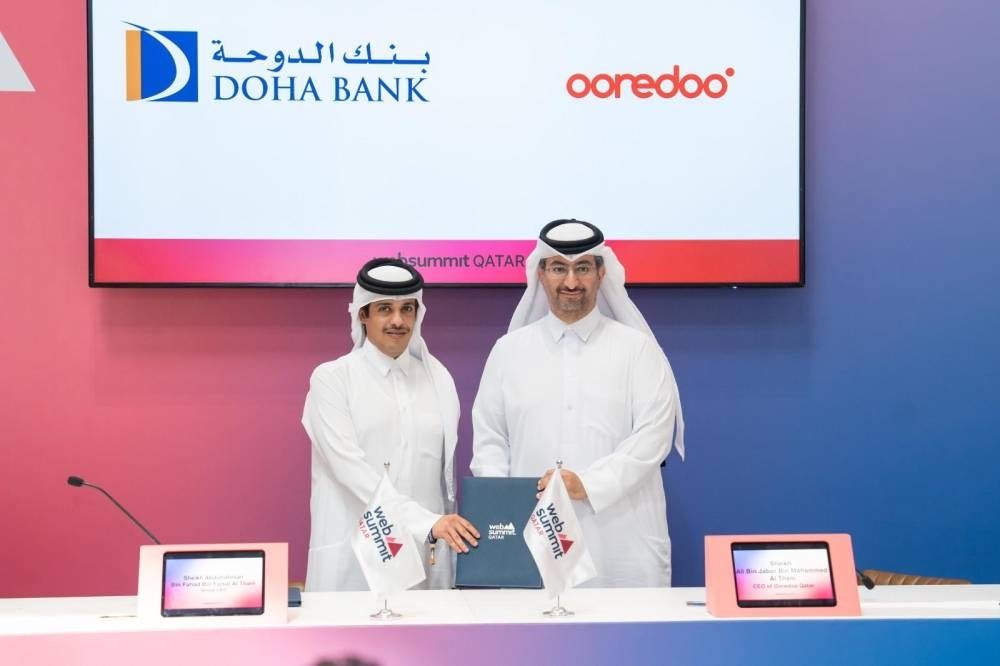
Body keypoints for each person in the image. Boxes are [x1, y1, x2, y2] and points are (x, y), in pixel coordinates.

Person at [471, 219, 685, 587]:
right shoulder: (508, 353)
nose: (571, 281)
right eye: (559, 268)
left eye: (582, 268)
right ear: (541, 274)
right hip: (533, 544)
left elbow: (653, 438)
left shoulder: (638, 351)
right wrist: (505, 511)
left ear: (601, 273)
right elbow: (489, 443)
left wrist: (586, 484)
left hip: (621, 547)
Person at [302, 258, 479, 591]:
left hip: (424, 562)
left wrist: (437, 530)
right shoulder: (332, 379)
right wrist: (427, 523)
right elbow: (351, 471)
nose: (398, 320)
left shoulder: (438, 379)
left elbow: (444, 484)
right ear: (363, 315)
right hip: (354, 568)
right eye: (385, 309)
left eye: (407, 309)